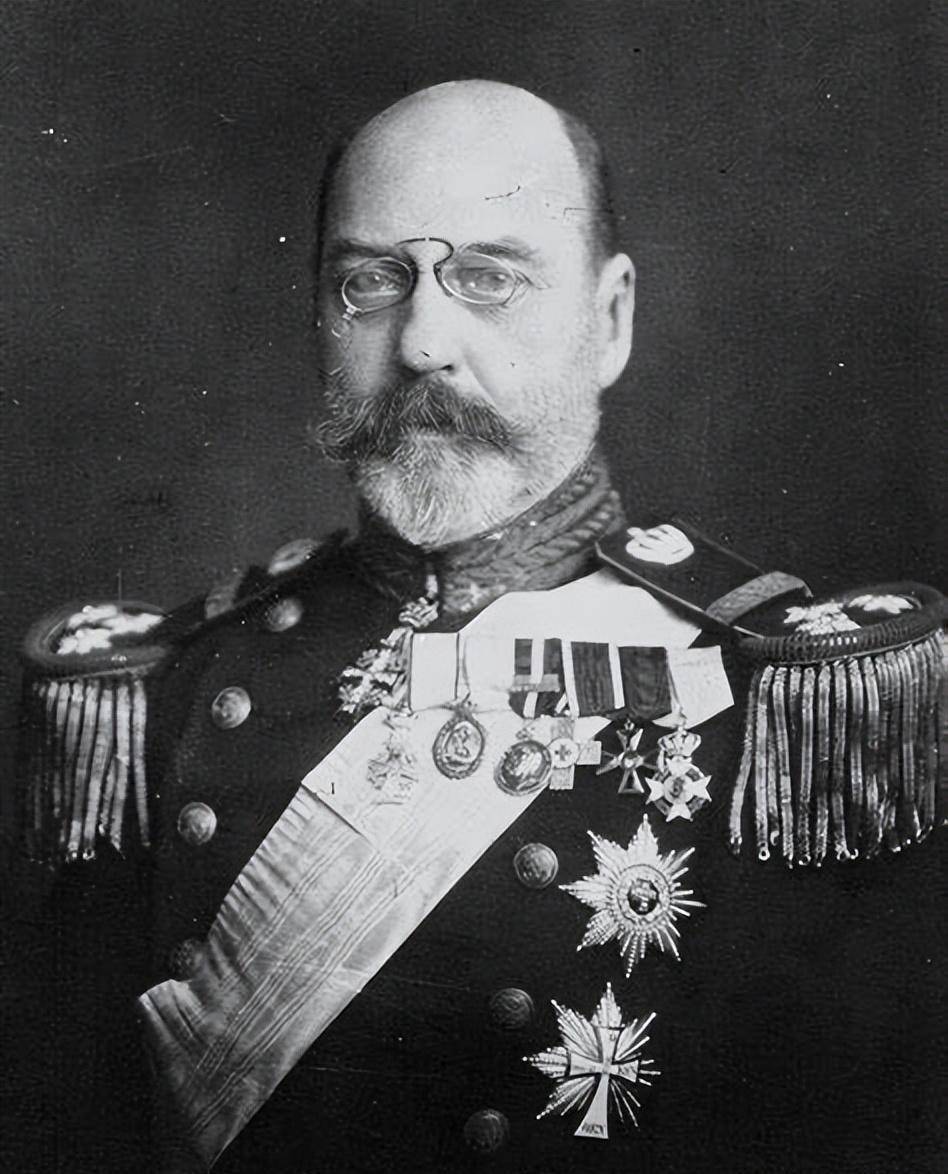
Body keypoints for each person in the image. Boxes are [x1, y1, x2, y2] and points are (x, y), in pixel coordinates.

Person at [13, 81, 944, 1174]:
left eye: (490, 277)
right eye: (371, 280)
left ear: (609, 320)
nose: (422, 343)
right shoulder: (161, 686)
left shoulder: (791, 702)